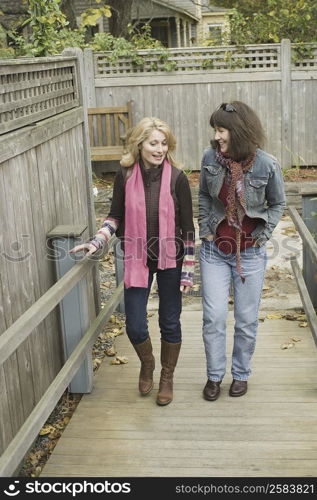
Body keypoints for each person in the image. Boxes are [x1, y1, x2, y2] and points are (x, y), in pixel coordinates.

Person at [71, 117, 195, 406]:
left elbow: (188, 229)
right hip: (137, 257)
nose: (160, 149)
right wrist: (96, 241)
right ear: (140, 145)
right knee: (135, 325)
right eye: (154, 143)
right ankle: (148, 363)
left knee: (170, 321)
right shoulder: (125, 175)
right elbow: (115, 217)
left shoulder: (177, 178)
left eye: (164, 143)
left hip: (171, 259)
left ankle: (166, 376)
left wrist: (188, 271)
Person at [199, 101, 286, 401]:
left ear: (238, 132)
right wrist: (205, 229)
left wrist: (263, 235)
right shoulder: (211, 158)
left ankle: (241, 373)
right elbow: (202, 196)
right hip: (214, 251)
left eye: (221, 130)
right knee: (214, 316)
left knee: (246, 319)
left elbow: (278, 204)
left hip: (249, 252)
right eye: (215, 130)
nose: (217, 136)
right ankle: (214, 376)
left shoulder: (267, 164)